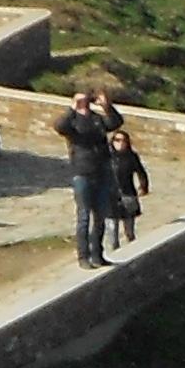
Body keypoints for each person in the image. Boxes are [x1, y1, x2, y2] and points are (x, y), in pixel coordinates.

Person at [57, 81, 118, 266]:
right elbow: (60, 127)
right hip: (82, 172)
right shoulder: (72, 121)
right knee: (84, 216)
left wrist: (107, 106)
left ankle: (98, 254)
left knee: (100, 215)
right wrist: (72, 109)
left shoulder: (97, 119)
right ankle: (83, 256)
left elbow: (114, 123)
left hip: (101, 170)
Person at [104, 108, 151, 249]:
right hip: (110, 195)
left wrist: (144, 186)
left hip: (128, 193)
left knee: (129, 229)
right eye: (117, 140)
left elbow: (141, 172)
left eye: (123, 141)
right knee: (112, 229)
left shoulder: (131, 156)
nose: (120, 143)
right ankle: (114, 251)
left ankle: (131, 250)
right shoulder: (106, 157)